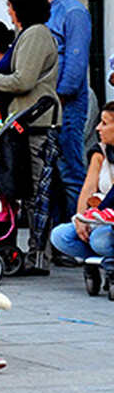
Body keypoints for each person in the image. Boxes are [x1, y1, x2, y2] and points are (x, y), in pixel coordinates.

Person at [0, 0, 62, 275]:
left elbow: (23, 80)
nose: (8, 11)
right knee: (29, 191)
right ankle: (31, 253)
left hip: (39, 123)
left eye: (11, 5)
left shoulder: (36, 34)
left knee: (40, 192)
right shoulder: (27, 34)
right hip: (25, 123)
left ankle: (39, 257)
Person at [30, 0, 91, 215]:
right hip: (45, 106)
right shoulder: (43, 12)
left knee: (70, 171)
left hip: (65, 106)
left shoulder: (74, 12)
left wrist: (59, 98)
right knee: (48, 174)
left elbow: (76, 64)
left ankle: (77, 234)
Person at [49, 102, 114, 292]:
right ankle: (94, 262)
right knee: (61, 236)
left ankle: (106, 263)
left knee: (100, 240)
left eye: (104, 123)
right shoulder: (100, 152)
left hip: (107, 221)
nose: (97, 128)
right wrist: (80, 219)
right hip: (99, 218)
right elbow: (87, 189)